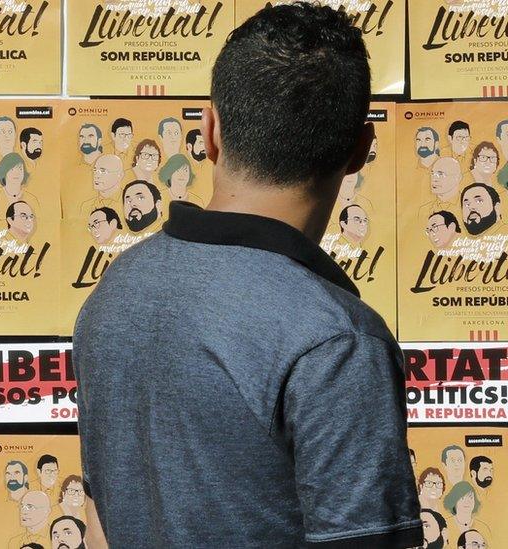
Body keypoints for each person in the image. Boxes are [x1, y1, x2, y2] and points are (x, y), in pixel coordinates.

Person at [73, 4, 420, 547]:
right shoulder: (336, 341)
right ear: (360, 150)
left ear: (209, 131)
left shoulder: (118, 290)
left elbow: (99, 522)